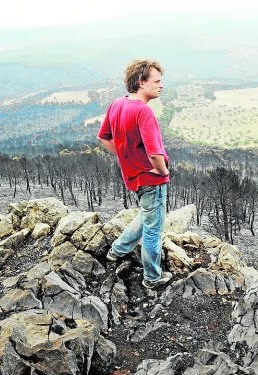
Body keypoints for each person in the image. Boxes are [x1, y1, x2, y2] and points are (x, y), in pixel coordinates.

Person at [97, 59, 173, 289]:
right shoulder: (144, 112)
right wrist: (163, 170)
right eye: (157, 81)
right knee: (153, 228)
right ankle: (152, 277)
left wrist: (126, 159)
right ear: (141, 82)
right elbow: (154, 153)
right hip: (151, 179)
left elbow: (103, 138)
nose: (161, 86)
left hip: (134, 177)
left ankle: (117, 251)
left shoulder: (118, 104)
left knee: (147, 214)